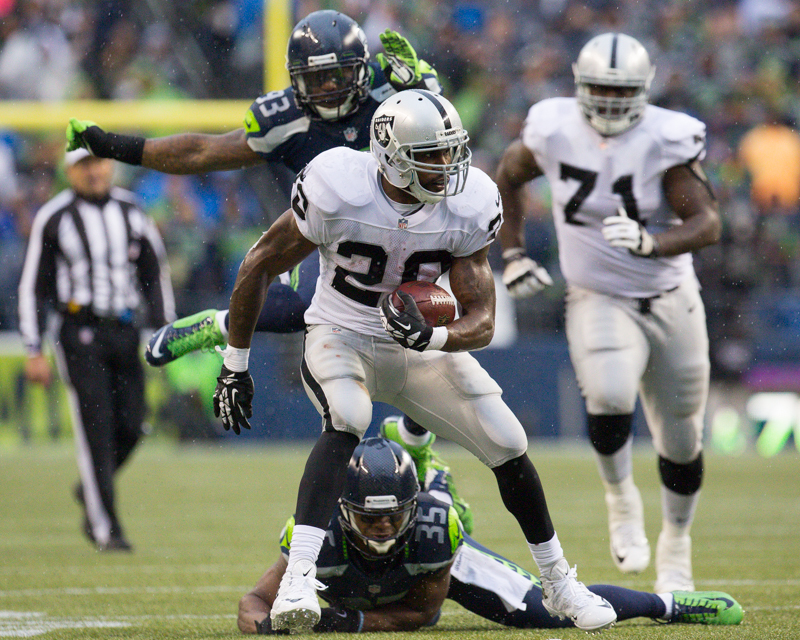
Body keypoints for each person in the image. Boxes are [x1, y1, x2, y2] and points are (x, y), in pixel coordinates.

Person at [211, 88, 618, 633]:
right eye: (431, 154)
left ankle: (559, 583)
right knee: (349, 417)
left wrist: (434, 338)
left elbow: (482, 319)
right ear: (389, 155)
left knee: (507, 438)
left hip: (415, 346)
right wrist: (235, 364)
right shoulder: (336, 186)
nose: (447, 166)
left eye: (451, 152)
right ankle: (297, 579)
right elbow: (260, 263)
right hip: (342, 333)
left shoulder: (470, 201)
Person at [63, 10, 472, 532]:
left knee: (435, 323)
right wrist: (115, 145)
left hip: (405, 233)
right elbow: (204, 151)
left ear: (361, 69)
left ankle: (416, 448)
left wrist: (429, 89)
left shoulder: (393, 99)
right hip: (325, 242)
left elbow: (445, 146)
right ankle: (224, 322)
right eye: (314, 77)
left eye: (337, 74)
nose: (326, 88)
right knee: (321, 311)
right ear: (295, 80)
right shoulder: (287, 119)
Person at [495, 33, 722, 593]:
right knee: (612, 394)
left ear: (643, 91)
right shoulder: (554, 127)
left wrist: (652, 243)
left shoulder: (665, 137)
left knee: (681, 438)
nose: (611, 101)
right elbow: (508, 174)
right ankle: (620, 499)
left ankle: (676, 539)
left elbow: (707, 224)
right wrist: (514, 252)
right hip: (597, 295)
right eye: (600, 87)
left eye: (622, 90)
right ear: (579, 85)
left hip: (670, 296)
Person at [238, 437, 744, 634]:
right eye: (372, 518)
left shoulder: (434, 530)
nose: (385, 526)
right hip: (373, 572)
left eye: (395, 513)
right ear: (342, 511)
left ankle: (672, 605)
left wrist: (351, 621)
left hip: (429, 568)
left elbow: (425, 613)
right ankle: (417, 446)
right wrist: (264, 628)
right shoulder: (314, 536)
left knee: (547, 613)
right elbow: (253, 602)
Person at [17, 147, 176, 551]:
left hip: (124, 330)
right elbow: (34, 286)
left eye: (100, 162)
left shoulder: (131, 210)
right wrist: (33, 348)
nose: (94, 172)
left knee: (134, 423)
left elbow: (155, 272)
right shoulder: (55, 217)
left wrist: (166, 330)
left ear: (111, 165)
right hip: (79, 333)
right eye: (84, 165)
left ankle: (90, 490)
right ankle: (107, 530)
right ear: (69, 171)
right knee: (96, 432)